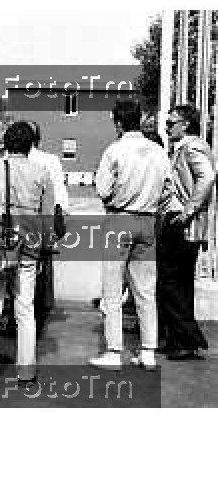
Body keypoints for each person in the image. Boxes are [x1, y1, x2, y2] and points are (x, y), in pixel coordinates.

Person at [89, 100, 176, 370]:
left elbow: (102, 190)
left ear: (117, 122)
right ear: (140, 120)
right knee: (146, 291)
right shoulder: (159, 152)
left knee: (113, 290)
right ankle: (148, 351)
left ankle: (114, 352)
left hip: (120, 219)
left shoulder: (114, 151)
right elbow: (168, 192)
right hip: (148, 222)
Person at [0, 121, 55, 383]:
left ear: (6, 143)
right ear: (31, 145)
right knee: (25, 308)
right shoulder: (41, 173)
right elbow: (48, 216)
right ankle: (26, 371)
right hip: (28, 246)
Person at [158, 104, 214, 360]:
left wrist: (188, 210)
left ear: (186, 125)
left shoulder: (191, 148)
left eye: (172, 123)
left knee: (171, 281)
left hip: (181, 222)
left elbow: (207, 177)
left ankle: (187, 339)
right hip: (180, 220)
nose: (167, 127)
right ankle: (178, 338)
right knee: (177, 282)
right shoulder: (182, 148)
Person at [27, 121, 70, 335]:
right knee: (42, 267)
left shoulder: (5, 160)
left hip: (17, 223)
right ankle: (40, 309)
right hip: (43, 222)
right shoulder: (50, 160)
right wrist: (60, 220)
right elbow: (59, 195)